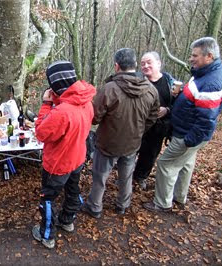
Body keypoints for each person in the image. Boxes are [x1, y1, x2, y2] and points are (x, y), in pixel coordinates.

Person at [143, 37, 222, 212]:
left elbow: (206, 119)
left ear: (209, 56)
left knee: (166, 164)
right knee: (185, 164)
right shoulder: (206, 73)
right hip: (188, 131)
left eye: (195, 55)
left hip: (188, 134)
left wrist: (189, 140)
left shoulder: (211, 83)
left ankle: (162, 203)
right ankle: (179, 196)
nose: (191, 59)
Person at [82, 48, 160, 218]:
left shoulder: (109, 89)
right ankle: (122, 205)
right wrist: (139, 130)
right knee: (126, 176)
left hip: (108, 143)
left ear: (116, 66)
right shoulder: (150, 90)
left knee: (100, 177)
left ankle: (95, 207)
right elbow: (153, 116)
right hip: (132, 143)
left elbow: (94, 117)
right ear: (135, 65)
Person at [31, 60, 96, 249]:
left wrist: (46, 104)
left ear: (56, 86)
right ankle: (67, 220)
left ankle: (47, 234)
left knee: (48, 198)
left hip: (58, 164)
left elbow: (42, 133)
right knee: (72, 191)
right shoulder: (85, 101)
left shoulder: (62, 112)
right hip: (77, 158)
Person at [133, 52, 175, 190]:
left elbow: (179, 105)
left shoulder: (170, 83)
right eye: (143, 63)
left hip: (159, 127)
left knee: (150, 155)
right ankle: (127, 177)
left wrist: (167, 110)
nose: (145, 66)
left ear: (158, 63)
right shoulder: (137, 81)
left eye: (149, 62)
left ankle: (140, 177)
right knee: (131, 152)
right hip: (138, 125)